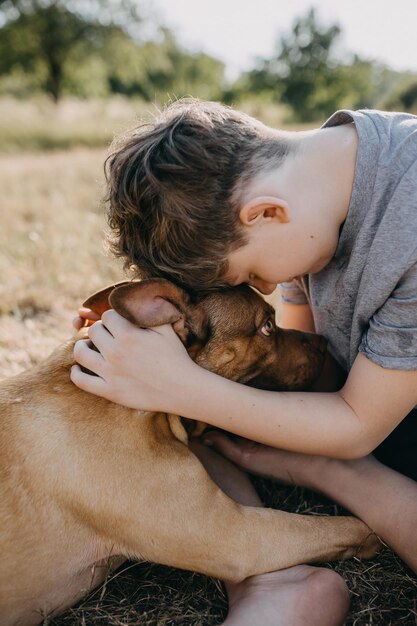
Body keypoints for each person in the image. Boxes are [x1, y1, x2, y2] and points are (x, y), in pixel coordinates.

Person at [71, 99, 417, 625]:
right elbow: (310, 373)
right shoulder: (319, 200)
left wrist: (179, 385)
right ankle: (271, 579)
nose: (267, 290)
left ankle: (345, 484)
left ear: (264, 213)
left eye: (250, 274)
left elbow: (355, 426)